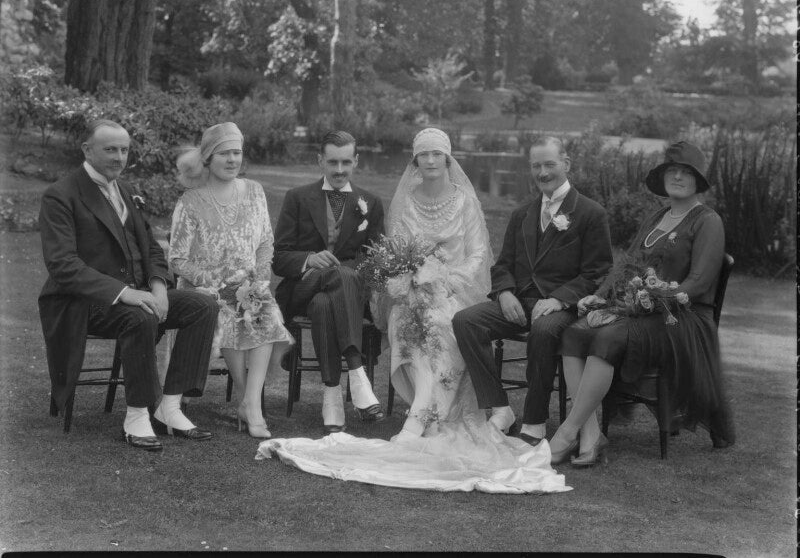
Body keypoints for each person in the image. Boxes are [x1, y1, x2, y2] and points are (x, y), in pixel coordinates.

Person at [256, 128, 569, 494]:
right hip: (395, 289)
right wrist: (412, 279)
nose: (432, 161)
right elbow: (391, 253)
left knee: (441, 319)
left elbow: (479, 255)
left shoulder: (459, 202)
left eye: (438, 154)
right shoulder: (397, 203)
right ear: (415, 160)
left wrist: (445, 282)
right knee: (408, 314)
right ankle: (378, 388)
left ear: (448, 159)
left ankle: (412, 411)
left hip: (453, 288)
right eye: (425, 155)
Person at [548, 141, 736, 466]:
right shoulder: (657, 216)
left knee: (607, 337)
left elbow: (699, 283)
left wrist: (639, 305)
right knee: (574, 335)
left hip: (684, 317)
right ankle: (591, 435)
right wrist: (601, 296)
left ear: (697, 181)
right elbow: (627, 264)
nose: (677, 176)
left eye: (686, 172)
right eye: (671, 170)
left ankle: (566, 433)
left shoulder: (707, 221)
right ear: (663, 177)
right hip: (643, 309)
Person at [38, 119, 219, 452]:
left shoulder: (124, 189)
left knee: (203, 305)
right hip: (82, 303)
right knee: (140, 317)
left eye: (124, 149)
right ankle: (136, 415)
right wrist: (128, 294)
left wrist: (159, 288)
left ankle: (170, 406)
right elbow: (63, 266)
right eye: (110, 149)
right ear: (86, 150)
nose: (119, 157)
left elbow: (150, 247)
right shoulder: (61, 195)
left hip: (137, 294)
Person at [453, 136, 613, 446]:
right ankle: (500, 409)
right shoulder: (522, 213)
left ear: (566, 164)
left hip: (563, 306)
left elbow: (598, 271)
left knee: (543, 330)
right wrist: (504, 293)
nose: (542, 173)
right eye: (536, 166)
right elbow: (502, 265)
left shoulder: (591, 214)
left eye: (549, 165)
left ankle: (535, 421)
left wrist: (558, 299)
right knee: (465, 321)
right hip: (520, 299)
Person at [168, 122, 293, 439]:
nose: (232, 159)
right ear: (208, 157)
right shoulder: (190, 201)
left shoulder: (254, 192)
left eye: (237, 152)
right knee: (227, 311)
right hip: (204, 288)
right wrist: (211, 279)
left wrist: (262, 271)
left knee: (263, 310)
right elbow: (177, 258)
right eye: (225, 153)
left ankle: (249, 403)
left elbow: (266, 241)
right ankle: (249, 402)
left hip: (248, 283)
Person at [272, 130, 386, 432]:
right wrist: (309, 259)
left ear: (356, 161)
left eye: (346, 162)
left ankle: (332, 395)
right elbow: (279, 257)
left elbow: (375, 261)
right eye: (332, 162)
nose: (339, 170)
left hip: (345, 297)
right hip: (301, 289)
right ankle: (356, 371)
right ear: (320, 159)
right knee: (334, 279)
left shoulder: (371, 203)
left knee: (326, 302)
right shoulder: (297, 198)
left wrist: (343, 270)